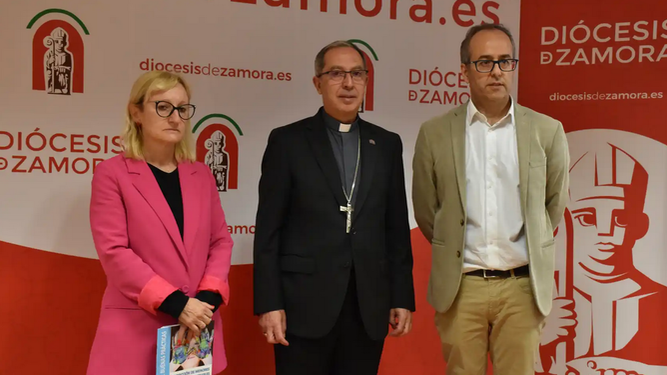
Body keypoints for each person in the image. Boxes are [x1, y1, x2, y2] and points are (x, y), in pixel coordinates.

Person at [412, 23, 570, 375]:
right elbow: (427, 211)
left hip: (522, 287)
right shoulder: (435, 133)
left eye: (505, 61)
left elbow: (552, 206)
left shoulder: (547, 130)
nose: (496, 71)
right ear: (464, 69)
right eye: (484, 62)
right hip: (461, 287)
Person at [253, 40, 416, 375]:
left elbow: (396, 228)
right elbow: (269, 232)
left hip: (367, 306)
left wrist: (402, 295)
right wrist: (269, 304)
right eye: (336, 74)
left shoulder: (386, 144)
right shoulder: (288, 142)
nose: (348, 83)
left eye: (357, 74)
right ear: (317, 83)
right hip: (302, 306)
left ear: (367, 82)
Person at [86, 71, 233, 375]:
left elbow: (220, 241)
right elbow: (114, 252)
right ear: (136, 112)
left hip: (196, 330)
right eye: (162, 107)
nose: (175, 117)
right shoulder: (112, 174)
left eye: (182, 108)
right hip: (136, 330)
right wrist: (177, 303)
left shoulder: (201, 175)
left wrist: (205, 300)